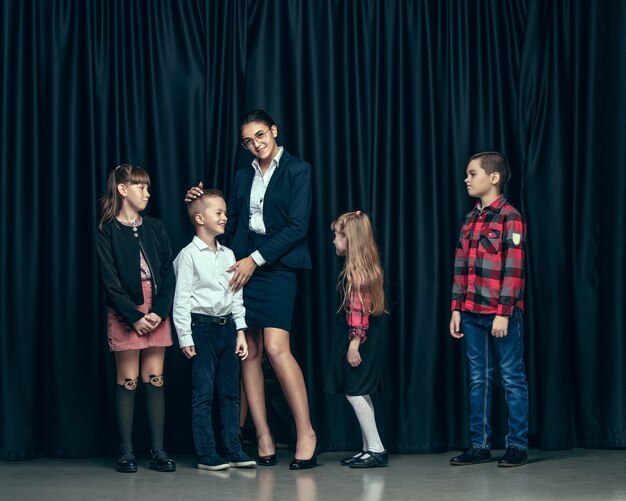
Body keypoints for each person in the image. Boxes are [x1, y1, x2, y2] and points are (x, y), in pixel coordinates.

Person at [186, 109, 317, 470]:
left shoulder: (297, 170)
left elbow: (297, 227)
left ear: (273, 131)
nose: (256, 144)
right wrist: (200, 204)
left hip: (277, 267)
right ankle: (262, 435)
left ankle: (306, 433)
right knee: (250, 350)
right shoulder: (243, 176)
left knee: (276, 348)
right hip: (243, 267)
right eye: (248, 141)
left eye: (260, 135)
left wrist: (255, 259)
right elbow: (234, 223)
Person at [448, 151, 529, 467]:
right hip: (470, 312)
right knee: (478, 378)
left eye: (472, 174)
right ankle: (479, 445)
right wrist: (456, 308)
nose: (466, 179)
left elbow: (514, 268)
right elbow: (460, 266)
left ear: (493, 177)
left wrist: (503, 312)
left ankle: (517, 446)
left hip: (500, 314)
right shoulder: (470, 219)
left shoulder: (510, 217)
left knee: (512, 377)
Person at [96, 164, 176, 473]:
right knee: (128, 379)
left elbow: (168, 270)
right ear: (122, 189)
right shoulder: (107, 230)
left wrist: (158, 311)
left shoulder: (155, 226)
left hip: (156, 308)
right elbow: (109, 279)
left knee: (154, 378)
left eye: (148, 187)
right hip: (126, 309)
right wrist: (133, 316)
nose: (147, 193)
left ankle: (158, 449)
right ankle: (126, 451)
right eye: (140, 186)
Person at [172, 189, 256, 471]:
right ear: (199, 218)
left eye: (224, 212)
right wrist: (185, 336)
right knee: (204, 393)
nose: (224, 217)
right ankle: (207, 453)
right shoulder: (188, 256)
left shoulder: (229, 254)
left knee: (231, 393)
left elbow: (236, 296)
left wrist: (241, 331)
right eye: (218, 213)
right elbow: (181, 299)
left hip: (228, 328)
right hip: (202, 330)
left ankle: (233, 449)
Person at [326, 210, 389, 468]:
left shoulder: (356, 274)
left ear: (349, 240)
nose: (333, 241)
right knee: (361, 392)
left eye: (337, 236)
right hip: (363, 339)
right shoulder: (362, 269)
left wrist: (354, 345)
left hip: (359, 340)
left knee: (354, 393)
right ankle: (367, 448)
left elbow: (359, 314)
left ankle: (376, 449)